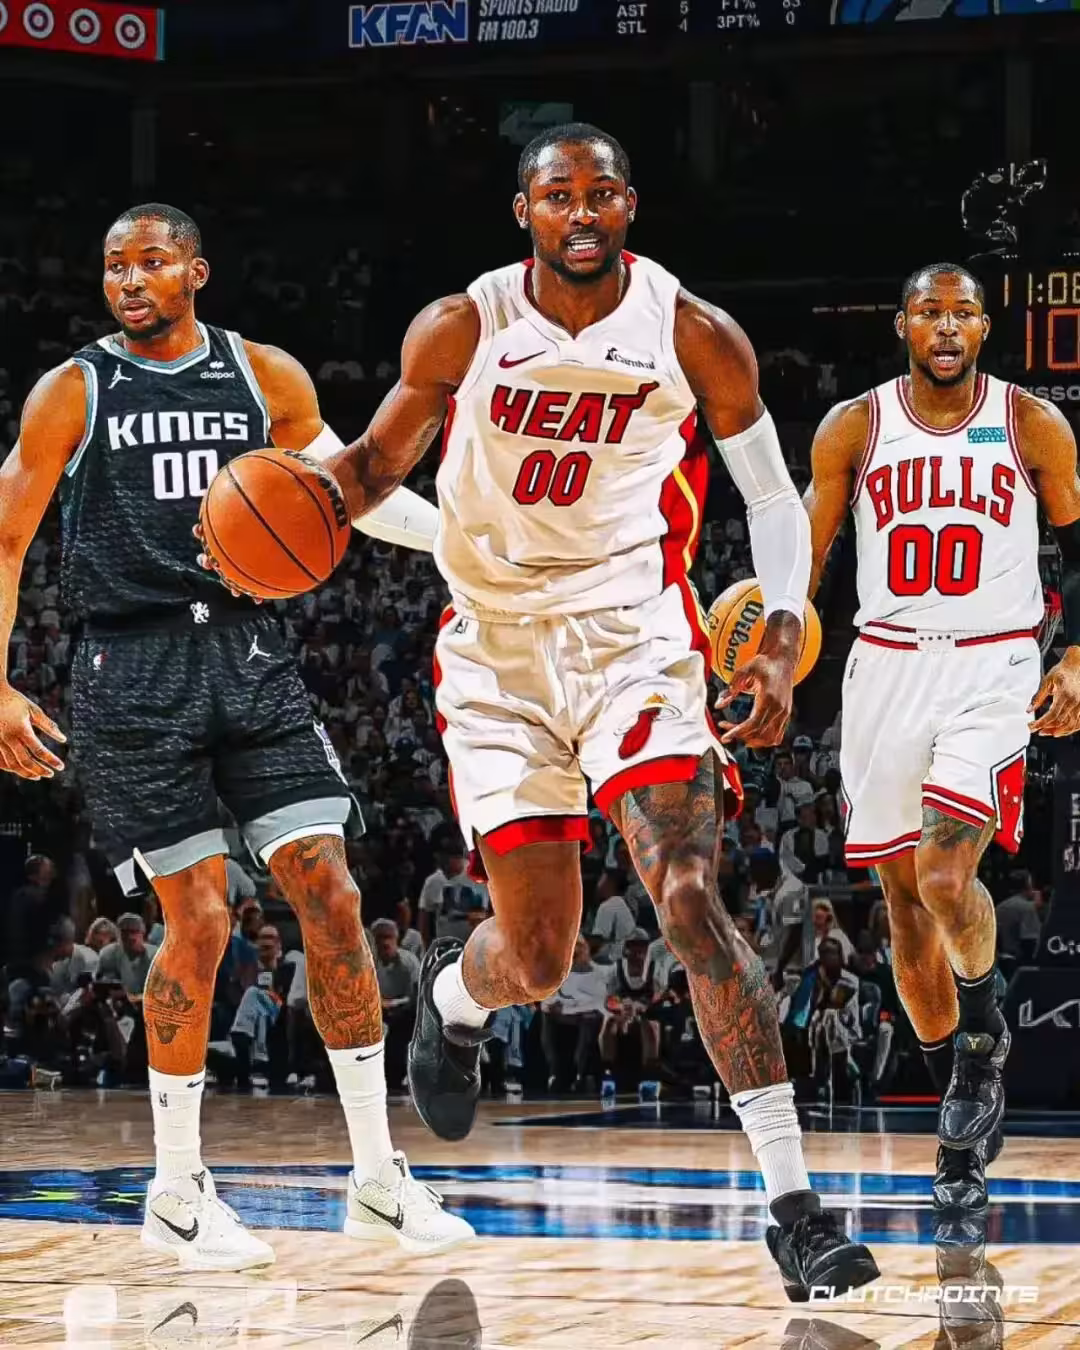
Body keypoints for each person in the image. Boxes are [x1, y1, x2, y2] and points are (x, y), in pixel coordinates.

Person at [236, 123, 878, 1296]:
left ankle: (795, 1210)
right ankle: (450, 999)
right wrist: (274, 523)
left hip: (638, 638)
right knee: (536, 959)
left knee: (688, 898)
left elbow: (773, 497)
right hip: (497, 656)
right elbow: (371, 472)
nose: (580, 211)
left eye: (600, 193)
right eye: (558, 194)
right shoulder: (462, 326)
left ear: (630, 205)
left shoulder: (691, 331)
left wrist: (785, 637)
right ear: (523, 212)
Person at [0, 204, 470, 1268]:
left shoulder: (263, 376)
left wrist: (464, 545)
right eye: (115, 265)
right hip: (131, 669)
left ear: (196, 272)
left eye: (152, 262)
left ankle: (378, 1179)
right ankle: (175, 1191)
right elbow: (9, 533)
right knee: (202, 920)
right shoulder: (76, 389)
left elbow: (352, 492)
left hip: (249, 655)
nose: (130, 280)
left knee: (333, 894)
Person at [804, 260, 1080, 1212]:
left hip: (991, 664)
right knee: (905, 912)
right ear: (904, 325)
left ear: (985, 328)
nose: (948, 327)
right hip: (884, 664)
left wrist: (1076, 655)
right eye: (931, 312)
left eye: (964, 313)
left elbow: (1079, 549)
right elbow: (808, 558)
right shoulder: (854, 427)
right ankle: (958, 1131)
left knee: (945, 878)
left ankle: (984, 1035)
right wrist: (777, 649)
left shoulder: (1030, 423)